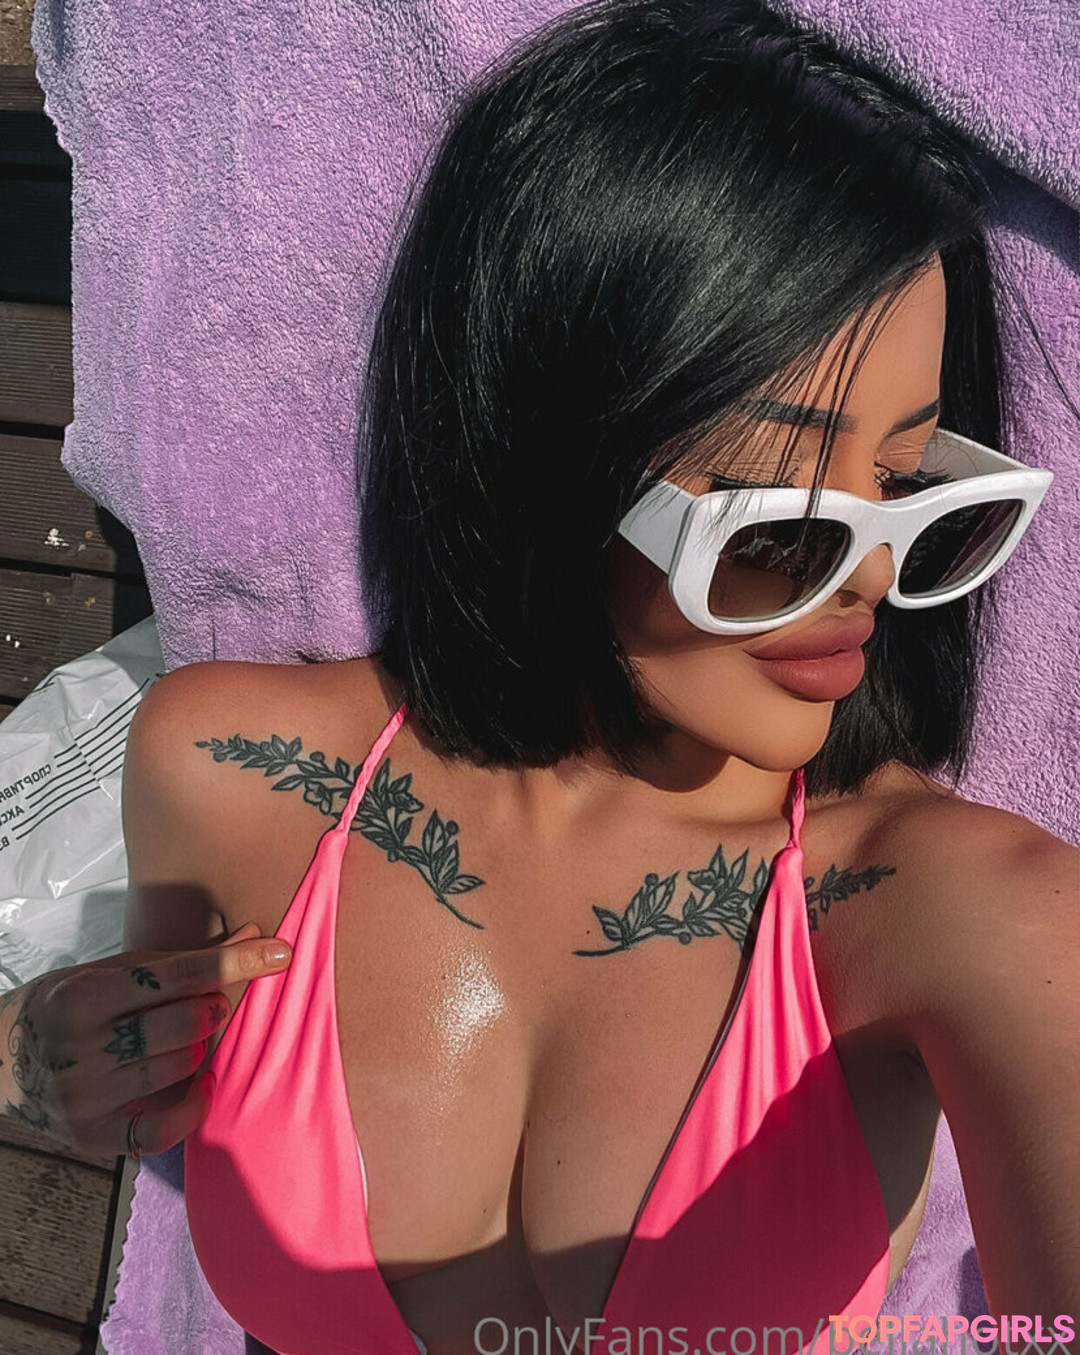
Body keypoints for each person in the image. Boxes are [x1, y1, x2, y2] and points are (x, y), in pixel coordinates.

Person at [3, 1, 1077, 1351]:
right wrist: (32, 1055)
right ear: (547, 466)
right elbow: (123, 1059)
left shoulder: (962, 916)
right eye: (779, 522)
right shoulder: (226, 768)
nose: (866, 578)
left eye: (913, 486)